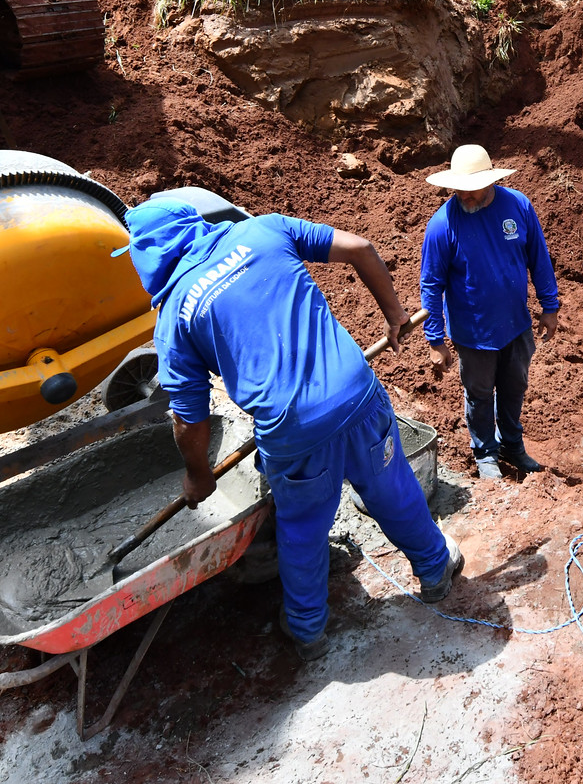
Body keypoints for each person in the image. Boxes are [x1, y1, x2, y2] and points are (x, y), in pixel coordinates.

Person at [120, 197, 463, 661]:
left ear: (146, 254)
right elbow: (361, 246)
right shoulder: (263, 231)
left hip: (292, 431)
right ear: (192, 223)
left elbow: (189, 418)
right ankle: (436, 572)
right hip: (356, 395)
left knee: (301, 528)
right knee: (392, 487)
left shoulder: (175, 318)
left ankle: (307, 631)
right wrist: (396, 317)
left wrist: (198, 475)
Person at [418, 145, 561, 481]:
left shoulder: (518, 206)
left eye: (472, 189)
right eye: (459, 190)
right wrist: (435, 340)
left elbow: (538, 257)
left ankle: (512, 444)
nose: (465, 196)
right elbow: (431, 285)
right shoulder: (442, 225)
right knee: (480, 394)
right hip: (474, 332)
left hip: (516, 324)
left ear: (490, 182)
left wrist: (549, 305)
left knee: (514, 388)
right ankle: (485, 452)